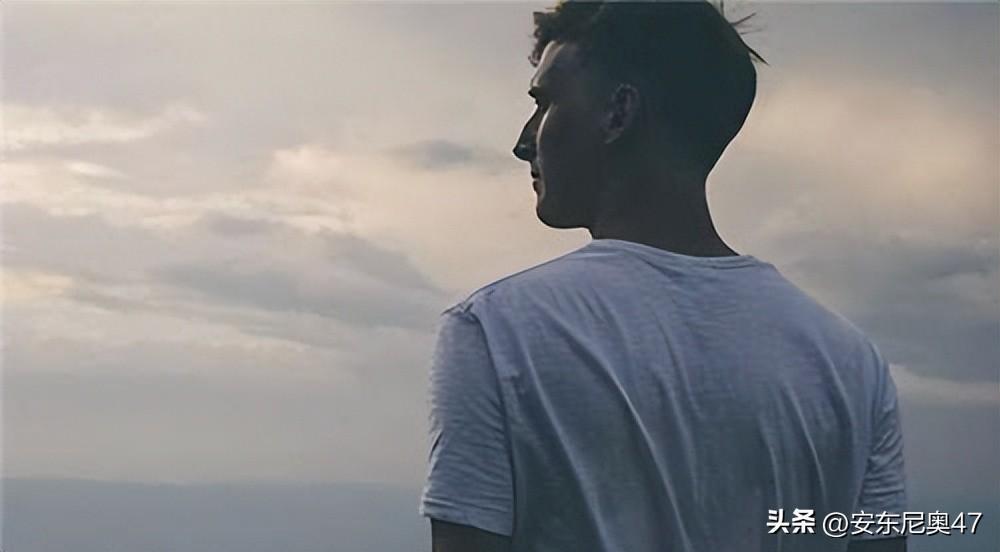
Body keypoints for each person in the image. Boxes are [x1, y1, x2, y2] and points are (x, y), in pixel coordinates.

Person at [419, 1, 908, 551]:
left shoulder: (495, 333)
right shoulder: (852, 365)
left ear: (618, 113)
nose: (524, 140)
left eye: (546, 102)